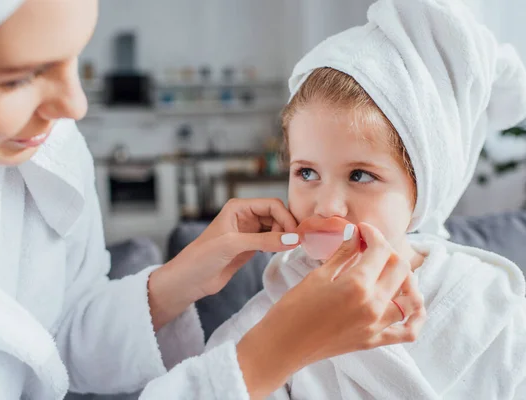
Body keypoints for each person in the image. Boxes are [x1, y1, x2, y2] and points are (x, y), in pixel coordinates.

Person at [0, 0, 425, 399]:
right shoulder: (266, 313)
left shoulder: (43, 150)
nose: (74, 104)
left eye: (74, 55)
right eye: (19, 77)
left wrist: (176, 280)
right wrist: (268, 356)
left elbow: (50, 346)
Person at [207, 0, 526, 398]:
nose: (326, 206)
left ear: (421, 189)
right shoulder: (275, 314)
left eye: (360, 175)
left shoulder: (492, 305)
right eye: (307, 172)